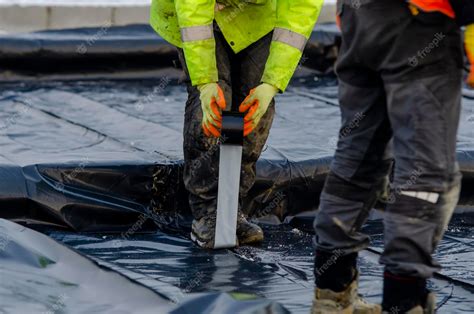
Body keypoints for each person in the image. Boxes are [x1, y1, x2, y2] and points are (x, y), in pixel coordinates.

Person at [312, 0, 474, 313]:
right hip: (418, 20)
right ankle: (404, 301)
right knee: (425, 174)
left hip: (359, 18)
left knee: (357, 160)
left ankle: (332, 294)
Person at [150, 0, 323, 248]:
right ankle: (207, 212)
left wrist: (270, 84)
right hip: (200, 14)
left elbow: (300, 8)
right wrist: (206, 82)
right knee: (211, 109)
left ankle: (232, 208)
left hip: (258, 18)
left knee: (254, 111)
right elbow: (193, 8)